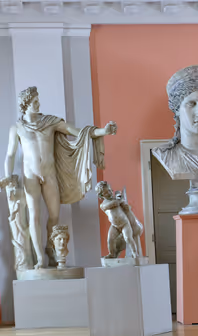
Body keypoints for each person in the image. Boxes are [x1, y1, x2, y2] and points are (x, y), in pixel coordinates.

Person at [3, 86, 116, 269]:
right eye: (34, 102)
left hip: (49, 174)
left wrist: (103, 131)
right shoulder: (17, 128)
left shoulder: (50, 122)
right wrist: (8, 177)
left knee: (54, 215)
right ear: (25, 104)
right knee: (34, 215)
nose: (38, 104)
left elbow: (78, 132)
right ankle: (40, 258)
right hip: (30, 176)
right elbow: (9, 155)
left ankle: (50, 249)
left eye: (38, 100)